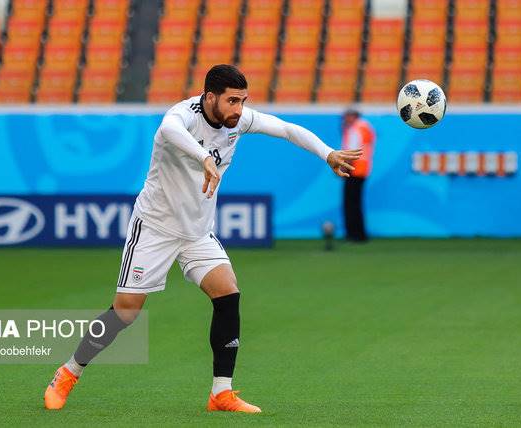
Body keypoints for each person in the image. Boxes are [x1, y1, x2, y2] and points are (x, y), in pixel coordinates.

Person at [43, 64, 363, 413]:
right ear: (209, 97)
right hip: (155, 227)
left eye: (243, 101)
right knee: (126, 312)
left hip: (197, 231)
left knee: (228, 293)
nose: (238, 109)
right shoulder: (181, 116)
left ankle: (221, 393)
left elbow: (285, 129)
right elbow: (169, 131)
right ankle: (68, 372)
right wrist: (204, 159)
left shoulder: (238, 120)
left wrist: (327, 152)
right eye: (231, 101)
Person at [341, 108, 375, 242]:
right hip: (363, 168)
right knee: (356, 203)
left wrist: (343, 167)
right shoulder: (365, 127)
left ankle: (353, 234)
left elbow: (351, 151)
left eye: (346, 117)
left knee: (350, 203)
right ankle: (359, 233)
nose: (344, 120)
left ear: (352, 116)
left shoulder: (355, 129)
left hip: (353, 169)